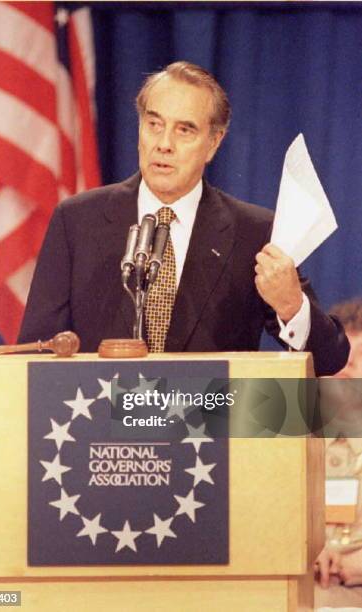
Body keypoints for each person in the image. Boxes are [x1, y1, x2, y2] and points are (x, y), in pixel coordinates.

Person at [18, 61, 349, 377]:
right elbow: (37, 350)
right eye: (154, 125)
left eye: (184, 130)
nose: (163, 144)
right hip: (96, 425)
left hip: (208, 426)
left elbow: (331, 358)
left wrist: (292, 306)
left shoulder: (253, 232)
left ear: (213, 143)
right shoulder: (77, 221)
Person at [315, 298, 362, 609]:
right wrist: (306, 550)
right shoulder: (286, 448)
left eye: (361, 355)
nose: (349, 364)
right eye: (342, 354)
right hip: (305, 593)